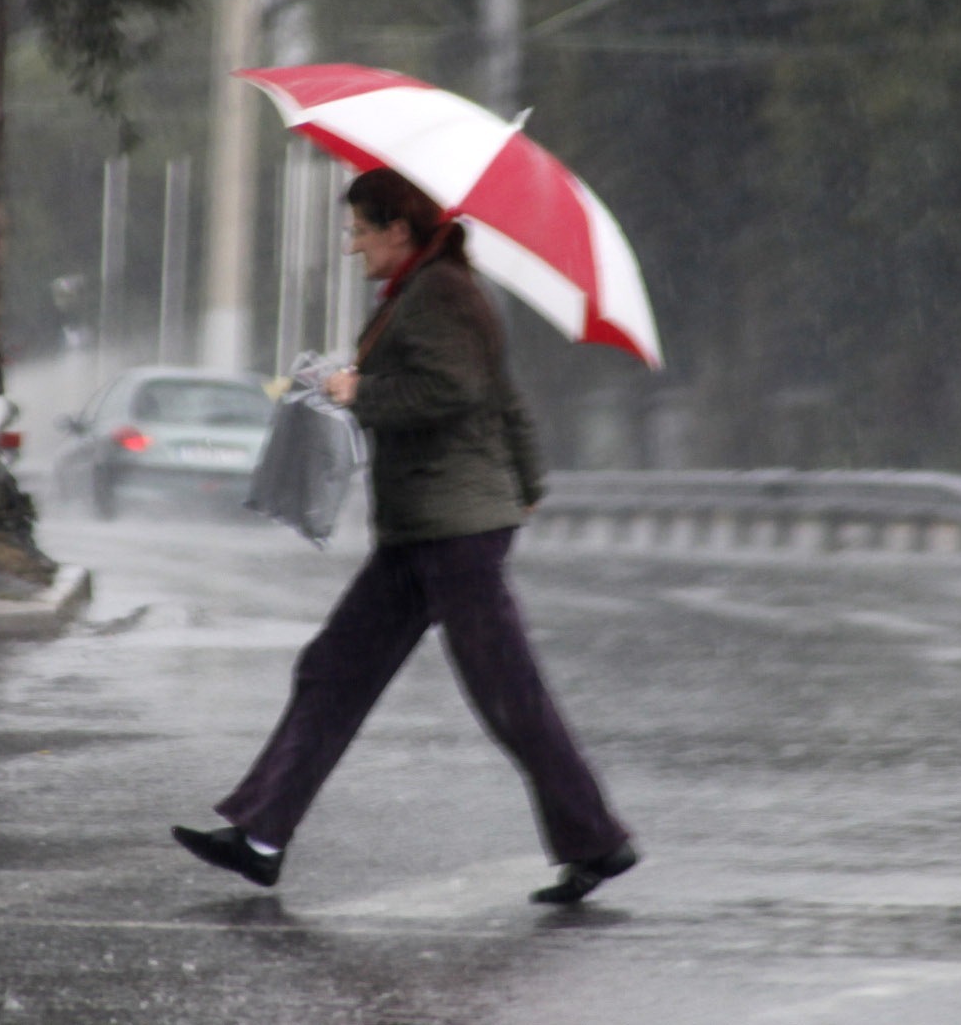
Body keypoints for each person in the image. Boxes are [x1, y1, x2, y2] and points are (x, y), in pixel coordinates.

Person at [172, 167, 636, 906]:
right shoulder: (426, 292)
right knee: (334, 669)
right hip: (428, 527)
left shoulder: (443, 294)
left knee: (507, 694)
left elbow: (455, 391)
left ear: (399, 228)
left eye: (360, 230)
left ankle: (598, 840)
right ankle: (260, 835)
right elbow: (500, 394)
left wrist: (363, 393)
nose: (353, 246)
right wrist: (529, 481)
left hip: (454, 531)